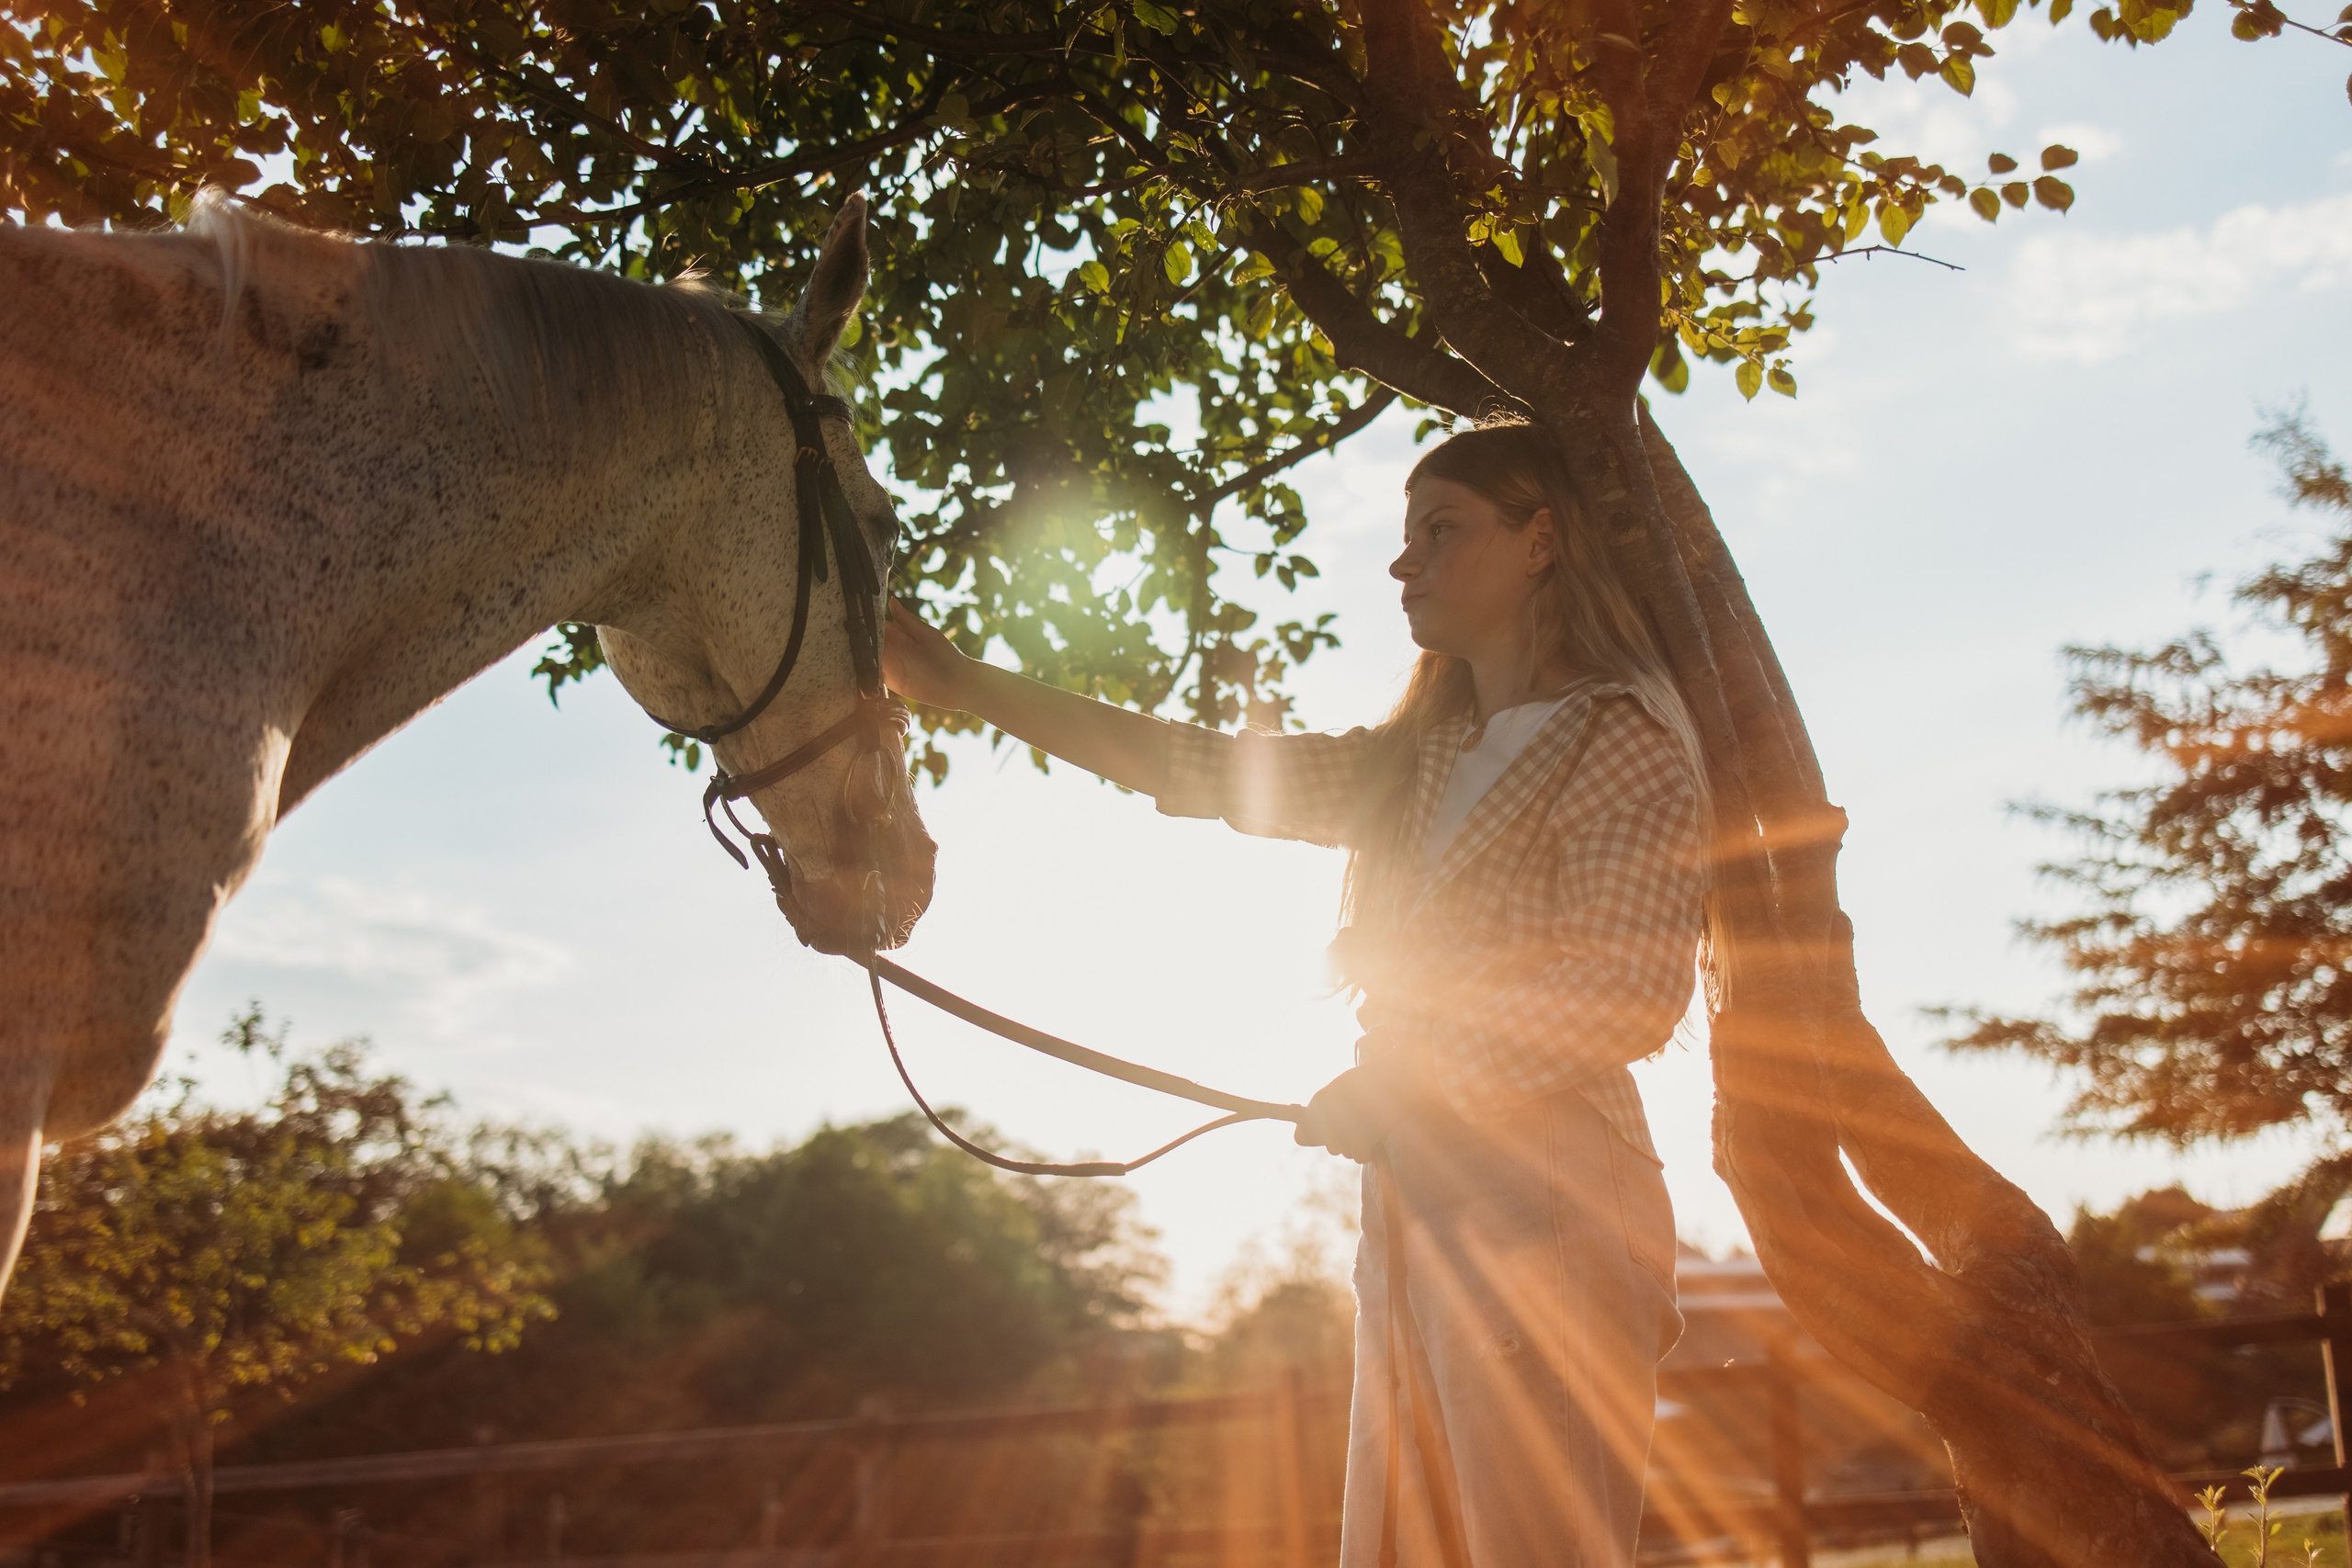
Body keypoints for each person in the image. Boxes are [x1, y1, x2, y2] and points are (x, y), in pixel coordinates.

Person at [879, 419, 1708, 1568]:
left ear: (1541, 541)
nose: (1401, 561)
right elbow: (1205, 769)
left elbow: (1624, 992)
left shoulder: (1620, 735)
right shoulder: (1418, 757)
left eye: (1440, 529)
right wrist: (963, 684)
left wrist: (1410, 1085)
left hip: (1556, 1195)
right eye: (1405, 533)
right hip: (1417, 1202)